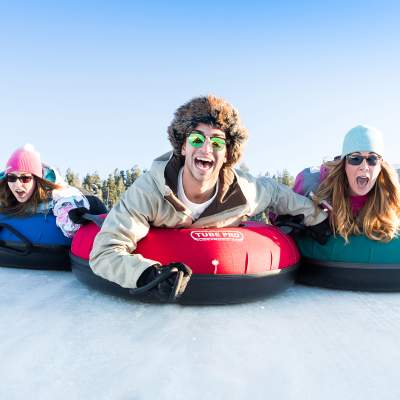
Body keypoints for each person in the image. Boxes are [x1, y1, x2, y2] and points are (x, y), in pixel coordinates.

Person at [89, 95, 328, 302]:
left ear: (226, 154)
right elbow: (104, 253)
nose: (206, 149)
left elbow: (276, 192)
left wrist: (315, 216)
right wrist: (147, 274)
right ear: (183, 147)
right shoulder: (149, 191)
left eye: (216, 142)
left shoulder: (242, 191)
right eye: (196, 139)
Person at [293, 125, 400, 243]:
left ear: (380, 165)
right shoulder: (311, 184)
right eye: (355, 158)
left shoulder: (390, 196)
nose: (364, 167)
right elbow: (279, 211)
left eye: (372, 159)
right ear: (344, 164)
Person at [0, 144, 91, 238]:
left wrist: (70, 217)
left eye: (25, 178)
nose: (17, 185)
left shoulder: (56, 194)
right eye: (11, 178)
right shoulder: (5, 192)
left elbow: (67, 200)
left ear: (37, 179)